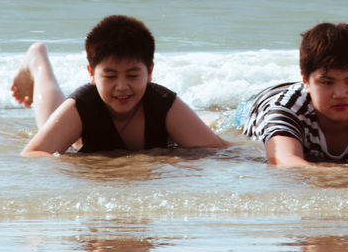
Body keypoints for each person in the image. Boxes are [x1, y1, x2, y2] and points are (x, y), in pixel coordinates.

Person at [13, 14, 228, 157]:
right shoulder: (81, 106)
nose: (122, 86)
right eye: (110, 76)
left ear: (150, 72)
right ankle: (38, 59)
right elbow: (33, 154)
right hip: (79, 132)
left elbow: (217, 151)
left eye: (133, 75)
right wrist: (85, 167)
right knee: (49, 122)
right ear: (92, 74)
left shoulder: (163, 104)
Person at [241, 22, 348, 169]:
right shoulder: (285, 110)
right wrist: (340, 178)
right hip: (257, 106)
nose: (340, 94)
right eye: (327, 82)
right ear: (305, 80)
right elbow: (284, 160)